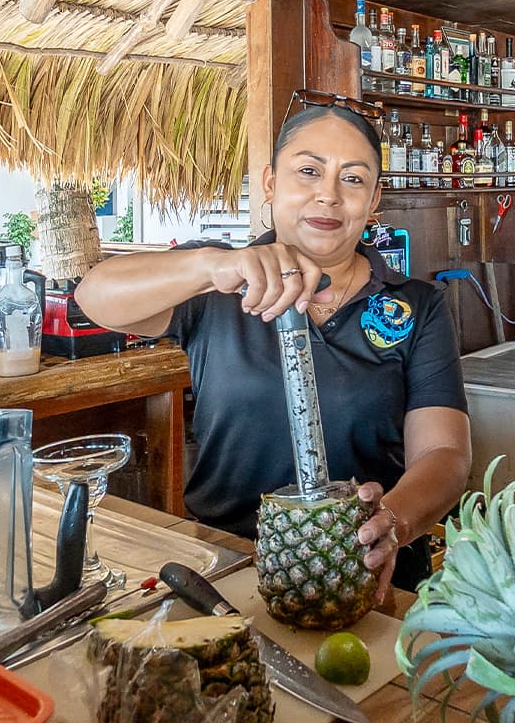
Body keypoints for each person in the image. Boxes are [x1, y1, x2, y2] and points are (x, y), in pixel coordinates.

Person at [75, 92, 471, 599]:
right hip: (226, 562)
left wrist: (393, 522)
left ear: (372, 201)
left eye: (352, 179)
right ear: (269, 183)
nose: (328, 196)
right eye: (308, 171)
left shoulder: (417, 304)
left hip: (367, 566)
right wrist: (209, 266)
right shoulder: (217, 283)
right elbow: (94, 297)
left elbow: (444, 453)